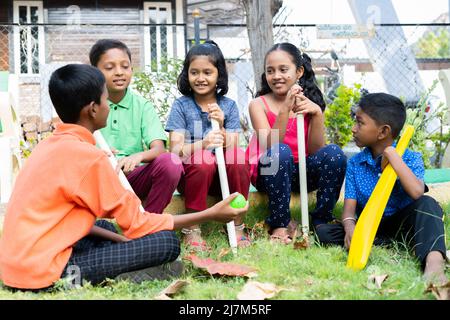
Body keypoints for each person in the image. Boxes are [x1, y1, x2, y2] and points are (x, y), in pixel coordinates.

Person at [0, 64, 248, 291]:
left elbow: (84, 222)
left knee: (105, 228)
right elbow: (138, 224)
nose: (109, 105)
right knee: (166, 242)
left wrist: (125, 242)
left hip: (16, 266)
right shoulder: (89, 157)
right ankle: (122, 275)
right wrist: (212, 214)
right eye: (106, 99)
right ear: (93, 109)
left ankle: (127, 264)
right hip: (46, 274)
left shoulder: (48, 145)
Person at [316, 93, 448, 285]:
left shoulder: (411, 158)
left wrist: (393, 157)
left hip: (401, 222)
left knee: (428, 205)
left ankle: (434, 264)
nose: (353, 128)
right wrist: (351, 228)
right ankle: (384, 241)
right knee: (324, 233)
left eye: (360, 123)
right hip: (370, 226)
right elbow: (349, 211)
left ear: (383, 131)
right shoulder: (355, 164)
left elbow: (417, 192)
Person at [247, 42, 347, 244]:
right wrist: (285, 109)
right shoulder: (258, 104)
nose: (276, 76)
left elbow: (316, 150)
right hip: (270, 170)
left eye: (283, 70)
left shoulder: (309, 104)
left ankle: (321, 220)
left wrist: (317, 114)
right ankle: (279, 223)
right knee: (281, 151)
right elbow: (270, 144)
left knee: (335, 153)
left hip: (301, 172)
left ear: (299, 71)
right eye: (270, 71)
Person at [165, 41, 251, 250]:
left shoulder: (228, 106)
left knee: (238, 157)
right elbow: (175, 150)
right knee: (203, 159)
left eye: (207, 72)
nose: (200, 78)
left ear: (218, 75)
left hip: (222, 180)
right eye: (194, 72)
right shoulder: (181, 106)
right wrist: (203, 144)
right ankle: (192, 228)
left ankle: (237, 223)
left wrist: (221, 125)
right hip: (193, 178)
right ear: (187, 75)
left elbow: (232, 145)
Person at [89, 39, 182, 214]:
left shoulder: (142, 106)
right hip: (97, 180)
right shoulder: (88, 105)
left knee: (171, 162)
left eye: (125, 66)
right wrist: (96, 155)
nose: (119, 73)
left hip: (132, 177)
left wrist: (137, 156)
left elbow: (159, 149)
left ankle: (150, 221)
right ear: (95, 72)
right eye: (109, 68)